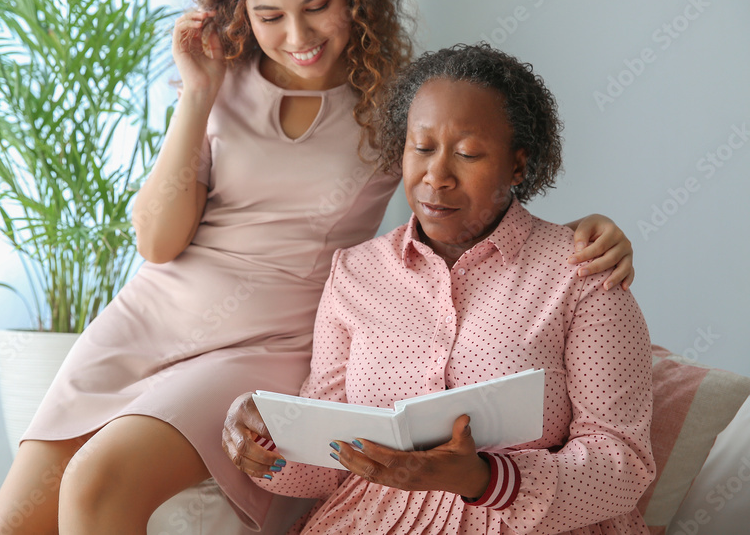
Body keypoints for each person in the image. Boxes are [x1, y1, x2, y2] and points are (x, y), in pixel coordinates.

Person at [0, 0, 635, 535]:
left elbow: (469, 170)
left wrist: (584, 231)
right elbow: (156, 240)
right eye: (269, 15)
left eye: (318, 6)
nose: (298, 37)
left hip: (264, 342)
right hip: (148, 321)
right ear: (239, 11)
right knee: (8, 527)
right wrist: (197, 96)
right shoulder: (219, 78)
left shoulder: (392, 97)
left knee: (98, 483)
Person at [223, 42, 656, 535]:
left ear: (518, 166)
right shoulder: (355, 272)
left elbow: (624, 463)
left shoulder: (583, 271)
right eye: (422, 148)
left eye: (468, 153)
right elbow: (328, 460)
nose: (437, 175)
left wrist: (486, 479)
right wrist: (268, 440)